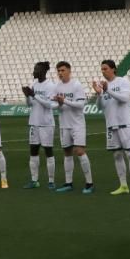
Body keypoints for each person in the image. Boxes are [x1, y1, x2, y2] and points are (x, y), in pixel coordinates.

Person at [93, 60, 130, 197]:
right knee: (117, 155)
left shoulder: (122, 81)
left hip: (125, 123)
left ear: (113, 69)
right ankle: (123, 185)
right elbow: (100, 107)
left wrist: (108, 90)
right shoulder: (103, 86)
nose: (103, 71)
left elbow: (125, 98)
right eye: (102, 69)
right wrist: (99, 94)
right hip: (110, 125)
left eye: (105, 68)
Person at [52, 61, 93, 194]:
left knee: (80, 151)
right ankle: (68, 183)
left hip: (77, 124)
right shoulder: (57, 86)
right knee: (67, 153)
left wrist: (64, 101)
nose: (60, 73)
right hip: (64, 124)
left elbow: (80, 105)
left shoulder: (76, 85)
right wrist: (58, 103)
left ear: (69, 71)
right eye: (58, 71)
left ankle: (89, 183)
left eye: (63, 70)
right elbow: (55, 106)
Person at [21, 61, 57, 189]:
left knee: (48, 151)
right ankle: (34, 180)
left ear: (43, 71)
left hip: (46, 123)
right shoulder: (34, 84)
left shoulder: (51, 86)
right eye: (34, 69)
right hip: (34, 122)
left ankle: (51, 181)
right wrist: (27, 96)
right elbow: (30, 104)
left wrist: (34, 95)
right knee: (33, 151)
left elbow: (49, 105)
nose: (34, 71)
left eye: (36, 69)